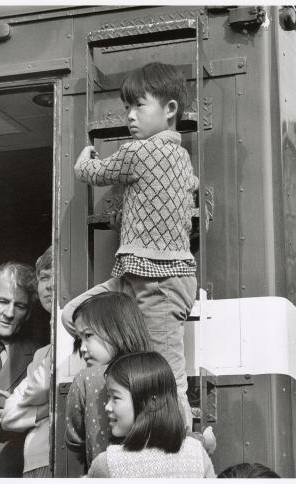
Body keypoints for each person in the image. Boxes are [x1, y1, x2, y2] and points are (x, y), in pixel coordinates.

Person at [63, 61, 200, 426]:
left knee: (170, 381)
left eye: (139, 105)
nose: (129, 116)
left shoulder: (137, 153)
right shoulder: (184, 161)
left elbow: (90, 173)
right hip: (137, 276)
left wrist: (83, 157)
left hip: (157, 282)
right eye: (128, 107)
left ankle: (184, 444)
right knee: (75, 316)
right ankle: (128, 377)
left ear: (170, 110)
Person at [87, 351, 216, 478]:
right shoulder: (197, 455)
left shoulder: (107, 465)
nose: (107, 406)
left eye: (115, 397)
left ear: (151, 402)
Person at [64, 292, 151, 473]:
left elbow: (74, 441)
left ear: (118, 329)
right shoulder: (154, 370)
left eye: (88, 335)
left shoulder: (85, 379)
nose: (82, 348)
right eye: (79, 339)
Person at [0, 261, 39, 477]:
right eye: (3, 301)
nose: (9, 313)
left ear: (29, 312)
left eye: (20, 306)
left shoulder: (39, 356)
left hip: (13, 470)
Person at [1, 246, 52, 477]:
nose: (50, 285)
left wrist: (29, 406)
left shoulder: (78, 339)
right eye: (44, 278)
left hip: (52, 458)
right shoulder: (42, 354)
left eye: (57, 276)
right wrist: (47, 409)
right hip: (32, 463)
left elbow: (39, 388)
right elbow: (9, 416)